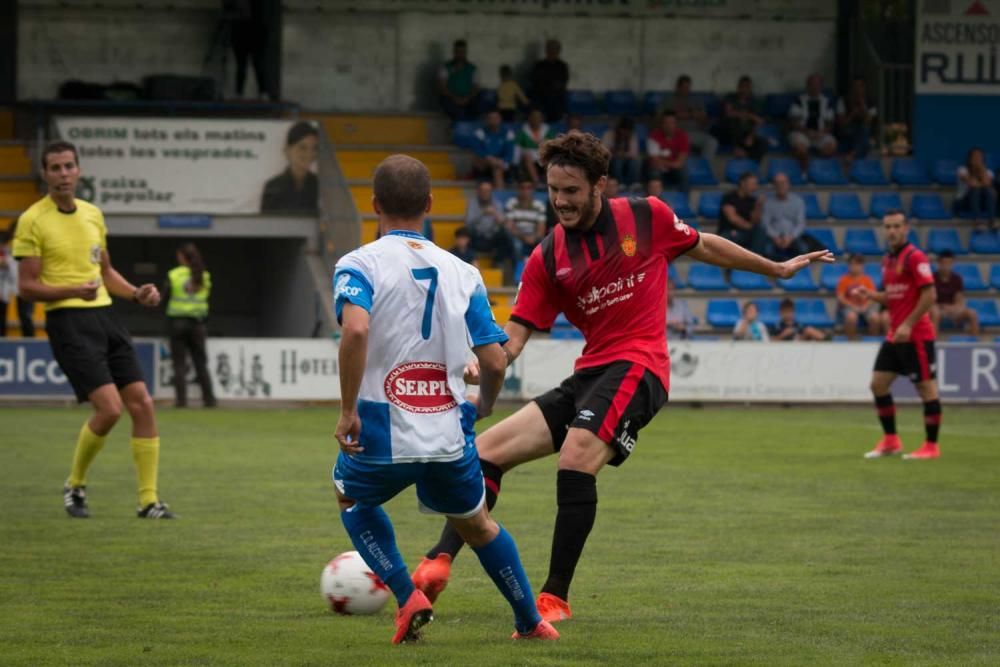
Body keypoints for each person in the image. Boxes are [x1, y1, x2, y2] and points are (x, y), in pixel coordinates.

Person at [409, 132, 832, 621]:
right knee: (486, 452)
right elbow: (517, 335)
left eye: (571, 190)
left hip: (641, 366)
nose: (560, 202)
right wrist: (487, 362)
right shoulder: (548, 257)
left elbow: (705, 246)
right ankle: (438, 562)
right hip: (591, 372)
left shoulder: (646, 216)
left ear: (599, 185)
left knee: (575, 457)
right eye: (553, 190)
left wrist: (775, 269)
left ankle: (554, 598)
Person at [331, 154, 558, 643]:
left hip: (381, 425)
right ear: (431, 205)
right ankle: (531, 621)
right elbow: (495, 361)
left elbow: (356, 329)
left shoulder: (358, 264)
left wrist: (348, 410)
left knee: (351, 496)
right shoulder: (464, 273)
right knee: (478, 525)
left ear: (374, 205)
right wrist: (487, 403)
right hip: (449, 431)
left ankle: (405, 594)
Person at [13, 141, 175, 519]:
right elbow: (26, 286)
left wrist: (137, 293)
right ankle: (75, 486)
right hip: (67, 320)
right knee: (109, 409)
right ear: (45, 173)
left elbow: (104, 273)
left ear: (79, 171)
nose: (64, 173)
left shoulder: (92, 214)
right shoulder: (33, 220)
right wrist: (73, 290)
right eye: (55, 167)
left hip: (105, 317)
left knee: (144, 404)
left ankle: (149, 501)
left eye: (69, 166)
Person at [855, 210, 942, 460]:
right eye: (888, 227)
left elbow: (929, 295)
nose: (891, 231)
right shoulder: (888, 260)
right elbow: (895, 297)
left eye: (896, 226)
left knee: (926, 388)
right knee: (878, 384)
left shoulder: (916, 257)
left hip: (916, 335)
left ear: (906, 229)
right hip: (896, 334)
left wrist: (908, 324)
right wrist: (873, 296)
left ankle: (931, 446)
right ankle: (891, 440)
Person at [165, 243, 217, 409]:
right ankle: (209, 400)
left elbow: (164, 297)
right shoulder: (205, 276)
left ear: (182, 257)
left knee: (179, 363)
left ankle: (181, 401)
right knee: (200, 363)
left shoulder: (174, 275)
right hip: (198, 324)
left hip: (178, 323)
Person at [260, 121, 319, 214]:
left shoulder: (320, 186)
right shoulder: (272, 187)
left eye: (314, 148)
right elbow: (267, 225)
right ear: (287, 150)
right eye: (302, 148)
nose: (310, 154)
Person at [658, 75, 719, 160]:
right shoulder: (668, 99)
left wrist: (689, 114)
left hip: (694, 133)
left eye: (688, 87)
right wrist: (678, 115)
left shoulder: (696, 100)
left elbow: (704, 118)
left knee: (712, 142)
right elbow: (660, 117)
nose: (686, 90)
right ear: (678, 87)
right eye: (683, 87)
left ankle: (703, 166)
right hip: (674, 132)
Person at [788, 73, 837, 172]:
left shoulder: (827, 101)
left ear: (821, 86)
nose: (815, 88)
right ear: (807, 86)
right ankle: (804, 172)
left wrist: (822, 132)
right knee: (800, 149)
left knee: (832, 146)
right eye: (812, 85)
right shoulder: (798, 100)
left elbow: (830, 123)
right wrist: (807, 132)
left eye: (818, 85)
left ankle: (819, 171)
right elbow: (793, 122)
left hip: (820, 134)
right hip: (802, 133)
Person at [464, 181, 515, 271]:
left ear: (491, 192)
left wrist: (495, 214)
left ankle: (497, 262)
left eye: (487, 190)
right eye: (483, 190)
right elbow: (468, 223)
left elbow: (503, 223)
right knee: (466, 234)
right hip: (477, 237)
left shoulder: (497, 204)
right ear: (478, 191)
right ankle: (471, 265)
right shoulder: (473, 203)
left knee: (505, 236)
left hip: (492, 238)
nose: (485, 193)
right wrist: (482, 213)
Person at [930, 250, 980, 336]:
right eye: (944, 263)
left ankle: (975, 342)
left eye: (949, 263)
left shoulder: (957, 279)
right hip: (937, 308)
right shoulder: (932, 278)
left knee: (972, 313)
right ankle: (933, 341)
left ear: (953, 263)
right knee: (935, 312)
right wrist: (942, 307)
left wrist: (954, 308)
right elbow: (930, 299)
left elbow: (959, 299)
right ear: (939, 263)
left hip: (952, 308)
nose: (946, 265)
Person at [762, 173, 808, 260]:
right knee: (766, 251)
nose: (780, 186)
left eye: (783, 183)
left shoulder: (798, 202)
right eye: (777, 183)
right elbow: (766, 223)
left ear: (788, 184)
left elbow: (800, 224)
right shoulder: (768, 203)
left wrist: (791, 237)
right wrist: (775, 237)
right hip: (774, 238)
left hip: (792, 237)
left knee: (803, 249)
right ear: (774, 186)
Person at [720, 75, 766, 162]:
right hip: (729, 133)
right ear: (738, 87)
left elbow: (759, 121)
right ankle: (737, 148)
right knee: (734, 121)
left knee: (763, 143)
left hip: (746, 134)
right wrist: (749, 115)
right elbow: (728, 113)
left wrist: (751, 136)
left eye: (747, 87)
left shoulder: (753, 101)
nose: (745, 89)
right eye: (743, 86)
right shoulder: (731, 97)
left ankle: (749, 160)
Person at [836, 253, 881, 340]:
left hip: (866, 307)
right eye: (852, 264)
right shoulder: (844, 280)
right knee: (851, 318)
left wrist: (865, 306)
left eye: (857, 264)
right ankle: (851, 341)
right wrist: (852, 306)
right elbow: (840, 297)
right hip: (850, 307)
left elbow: (873, 296)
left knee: (875, 318)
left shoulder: (867, 280)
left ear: (862, 266)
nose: (854, 266)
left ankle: (871, 341)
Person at [717, 171, 764, 253]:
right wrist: (750, 227)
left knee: (760, 230)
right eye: (752, 184)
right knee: (730, 236)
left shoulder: (752, 200)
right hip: (729, 231)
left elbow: (755, 221)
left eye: (755, 184)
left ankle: (754, 259)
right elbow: (733, 218)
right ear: (742, 183)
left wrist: (758, 206)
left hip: (745, 233)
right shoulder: (729, 197)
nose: (755, 188)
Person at [472, 110, 516, 191]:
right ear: (487, 120)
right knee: (484, 160)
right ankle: (500, 195)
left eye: (496, 118)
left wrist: (502, 161)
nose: (493, 120)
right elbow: (477, 150)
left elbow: (510, 153)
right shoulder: (480, 132)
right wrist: (489, 158)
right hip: (484, 163)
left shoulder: (508, 133)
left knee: (497, 169)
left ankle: (500, 193)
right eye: (491, 118)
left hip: (502, 164)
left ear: (500, 119)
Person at [646, 111, 690, 193]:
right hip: (658, 168)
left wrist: (665, 163)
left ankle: (684, 199)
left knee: (684, 172)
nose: (669, 125)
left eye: (671, 123)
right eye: (666, 123)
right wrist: (671, 163)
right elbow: (654, 160)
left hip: (673, 169)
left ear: (676, 124)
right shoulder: (654, 136)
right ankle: (656, 201)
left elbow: (680, 163)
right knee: (654, 172)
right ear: (662, 124)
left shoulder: (682, 136)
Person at [438, 39, 480, 122]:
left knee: (477, 106)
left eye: (463, 52)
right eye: (458, 51)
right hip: (450, 99)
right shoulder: (446, 67)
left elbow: (476, 88)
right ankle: (458, 130)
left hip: (468, 99)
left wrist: (467, 98)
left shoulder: (472, 69)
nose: (460, 54)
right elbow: (442, 87)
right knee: (455, 110)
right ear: (454, 52)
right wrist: (454, 98)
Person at [504, 179, 547, 258]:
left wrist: (533, 237)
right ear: (518, 189)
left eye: (528, 188)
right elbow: (509, 226)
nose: (525, 191)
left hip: (534, 236)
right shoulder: (511, 203)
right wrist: (524, 237)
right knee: (517, 245)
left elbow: (541, 228)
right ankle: (519, 268)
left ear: (532, 190)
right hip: (518, 236)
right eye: (522, 188)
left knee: (544, 245)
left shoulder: (539, 205)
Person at [835, 77, 876, 160]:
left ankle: (852, 155)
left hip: (862, 132)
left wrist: (863, 106)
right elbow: (842, 124)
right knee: (865, 143)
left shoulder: (871, 102)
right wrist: (853, 114)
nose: (857, 90)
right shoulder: (842, 100)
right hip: (847, 132)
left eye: (860, 86)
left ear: (864, 88)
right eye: (855, 87)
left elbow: (868, 122)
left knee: (864, 131)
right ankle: (854, 153)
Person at [954, 147, 996, 229]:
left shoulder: (988, 172)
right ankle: (977, 221)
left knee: (988, 191)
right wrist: (974, 170)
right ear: (969, 159)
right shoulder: (962, 170)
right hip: (963, 203)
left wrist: (981, 169)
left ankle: (991, 221)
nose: (977, 159)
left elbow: (987, 183)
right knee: (975, 190)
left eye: (980, 157)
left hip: (981, 203)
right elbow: (972, 184)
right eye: (975, 157)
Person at [530, 39, 569, 123]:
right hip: (541, 103)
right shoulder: (539, 66)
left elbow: (561, 84)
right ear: (546, 50)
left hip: (556, 104)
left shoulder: (562, 67)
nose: (552, 52)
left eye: (554, 49)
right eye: (549, 49)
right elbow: (535, 83)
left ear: (558, 51)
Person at [516, 109, 556, 187]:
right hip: (527, 156)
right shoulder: (523, 130)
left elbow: (552, 144)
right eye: (534, 117)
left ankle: (550, 182)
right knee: (527, 155)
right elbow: (518, 147)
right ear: (529, 118)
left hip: (543, 154)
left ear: (542, 118)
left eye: (538, 117)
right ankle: (536, 182)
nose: (536, 119)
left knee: (548, 155)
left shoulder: (548, 130)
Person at [601, 117, 642, 191]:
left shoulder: (632, 136)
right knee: (618, 162)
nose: (624, 133)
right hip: (613, 159)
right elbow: (603, 151)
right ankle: (620, 183)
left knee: (636, 161)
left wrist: (623, 154)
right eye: (623, 130)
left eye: (627, 131)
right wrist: (616, 154)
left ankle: (634, 183)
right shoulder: (609, 134)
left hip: (628, 159)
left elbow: (634, 153)